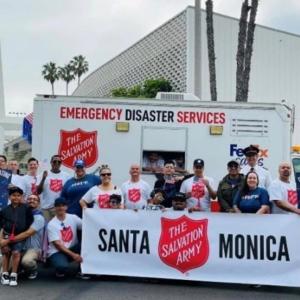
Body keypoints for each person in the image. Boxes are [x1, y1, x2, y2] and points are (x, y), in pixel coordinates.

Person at [1, 194, 46, 279]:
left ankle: (32, 270)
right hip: (18, 247)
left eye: (35, 199)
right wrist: (3, 243)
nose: (31, 200)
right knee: (2, 270)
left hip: (32, 248)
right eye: (29, 199)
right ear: (26, 201)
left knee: (27, 261)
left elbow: (27, 234)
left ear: (38, 204)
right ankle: (19, 268)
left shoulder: (39, 218)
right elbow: (4, 229)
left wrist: (6, 241)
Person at [0, 187, 33, 286]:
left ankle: (14, 274)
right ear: (9, 197)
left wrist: (23, 233)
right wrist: (2, 240)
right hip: (6, 235)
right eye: (14, 195)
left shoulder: (26, 209)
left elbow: (29, 223)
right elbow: (1, 226)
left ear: (21, 197)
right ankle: (4, 274)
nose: (16, 198)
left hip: (20, 236)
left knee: (16, 253)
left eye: (18, 196)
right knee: (6, 252)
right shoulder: (4, 210)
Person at [47, 197, 83, 278]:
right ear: (55, 208)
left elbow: (86, 227)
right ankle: (53, 262)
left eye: (63, 205)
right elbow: (58, 245)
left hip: (72, 248)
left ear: (66, 207)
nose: (61, 208)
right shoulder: (51, 224)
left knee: (86, 245)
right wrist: (74, 255)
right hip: (58, 251)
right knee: (62, 268)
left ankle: (82, 269)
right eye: (58, 206)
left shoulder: (73, 217)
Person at [37, 155, 71, 221]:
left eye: (59, 162)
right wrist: (43, 179)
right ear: (51, 162)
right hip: (46, 208)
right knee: (47, 229)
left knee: (58, 229)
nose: (57, 163)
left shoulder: (67, 176)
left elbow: (68, 192)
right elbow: (38, 192)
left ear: (61, 163)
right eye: (54, 161)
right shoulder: (43, 174)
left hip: (59, 208)